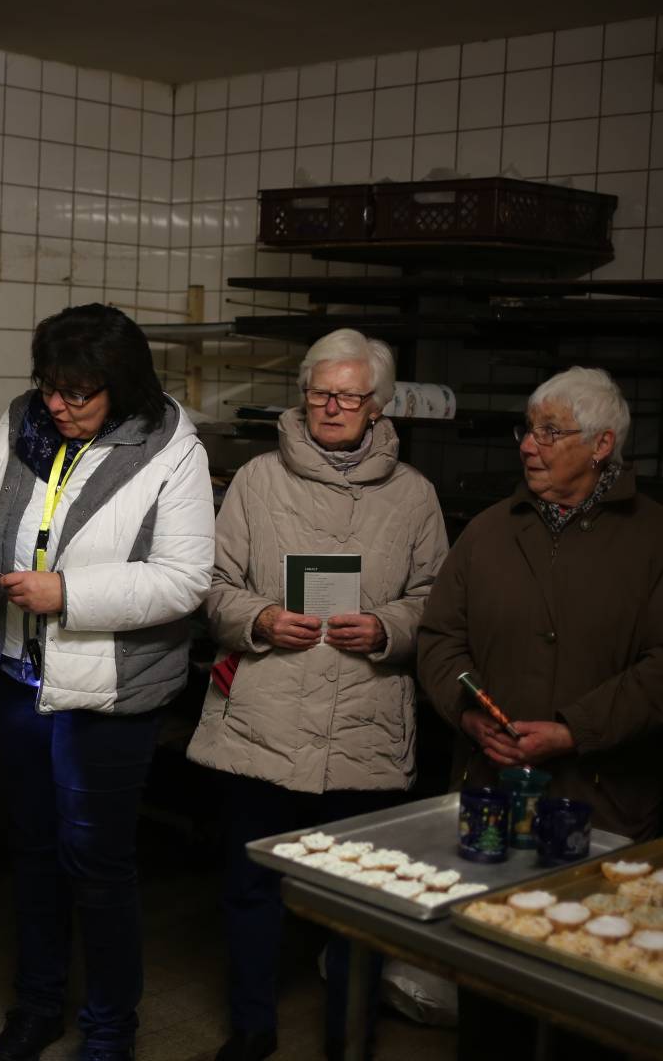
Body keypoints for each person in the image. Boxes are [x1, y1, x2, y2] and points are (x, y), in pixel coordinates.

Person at [0, 304, 215, 1061]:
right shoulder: (21, 422)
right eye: (49, 387)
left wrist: (67, 593)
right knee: (31, 849)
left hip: (107, 692)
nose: (57, 406)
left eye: (77, 393)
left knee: (97, 865)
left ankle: (109, 1028)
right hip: (17, 674)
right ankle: (37, 1004)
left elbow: (185, 578)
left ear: (120, 385)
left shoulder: (171, 449)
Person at [187, 329, 448, 1061]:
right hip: (264, 716)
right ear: (303, 396)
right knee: (251, 885)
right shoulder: (257, 480)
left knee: (356, 895)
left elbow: (437, 599)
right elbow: (213, 586)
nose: (332, 407)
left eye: (349, 396)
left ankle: (348, 1033)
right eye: (320, 393)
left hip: (365, 718)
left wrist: (390, 627)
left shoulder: (414, 494)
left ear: (378, 405)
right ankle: (251, 1027)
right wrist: (261, 619)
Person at [417, 366, 663, 839]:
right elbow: (439, 638)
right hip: (490, 793)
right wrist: (468, 713)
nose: (528, 446)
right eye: (529, 430)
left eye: (550, 432)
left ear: (601, 445)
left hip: (600, 803)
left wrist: (577, 731)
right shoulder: (487, 532)